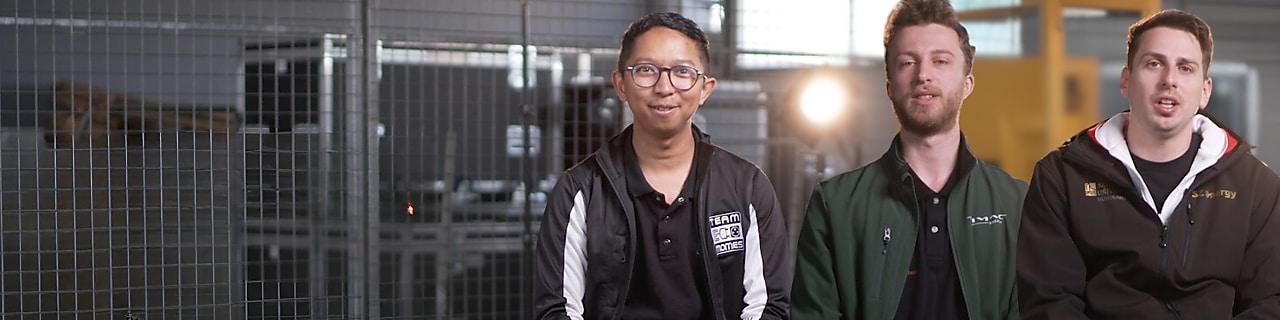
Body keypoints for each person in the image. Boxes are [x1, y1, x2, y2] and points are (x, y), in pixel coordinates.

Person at [1017, 9, 1280, 319]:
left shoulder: (1257, 187)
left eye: (1185, 68)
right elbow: (1049, 302)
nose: (1169, 80)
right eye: (1154, 64)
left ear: (1204, 91)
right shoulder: (1062, 177)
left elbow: (1271, 301)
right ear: (1126, 81)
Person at [533, 12, 791, 320]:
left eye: (682, 72)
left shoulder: (746, 186)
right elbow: (556, 310)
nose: (664, 87)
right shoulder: (580, 190)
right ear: (621, 84)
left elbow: (769, 306)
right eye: (646, 70)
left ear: (705, 89)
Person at [791, 0, 1027, 319]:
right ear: (890, 87)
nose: (923, 75)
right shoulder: (835, 206)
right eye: (907, 62)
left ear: (967, 84)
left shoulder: (1017, 204)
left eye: (940, 61)